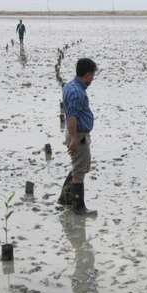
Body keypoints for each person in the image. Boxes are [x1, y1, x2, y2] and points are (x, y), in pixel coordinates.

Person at [58, 58, 97, 216]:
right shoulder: (76, 92)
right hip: (78, 135)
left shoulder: (70, 86)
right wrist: (74, 139)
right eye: (92, 76)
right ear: (87, 74)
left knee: (79, 166)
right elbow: (72, 117)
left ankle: (64, 199)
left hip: (77, 134)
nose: (93, 79)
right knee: (80, 170)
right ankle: (78, 207)